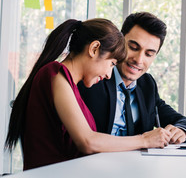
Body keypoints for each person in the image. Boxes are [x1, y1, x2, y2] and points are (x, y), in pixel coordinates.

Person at [5, 18, 173, 170]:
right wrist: (144, 140)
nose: (109, 75)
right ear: (94, 49)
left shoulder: (70, 84)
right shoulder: (56, 75)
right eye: (112, 64)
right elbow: (87, 142)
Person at [78, 12, 186, 144]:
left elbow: (181, 121)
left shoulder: (147, 85)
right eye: (133, 48)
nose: (139, 60)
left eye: (149, 54)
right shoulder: (94, 77)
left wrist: (182, 130)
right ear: (120, 42)